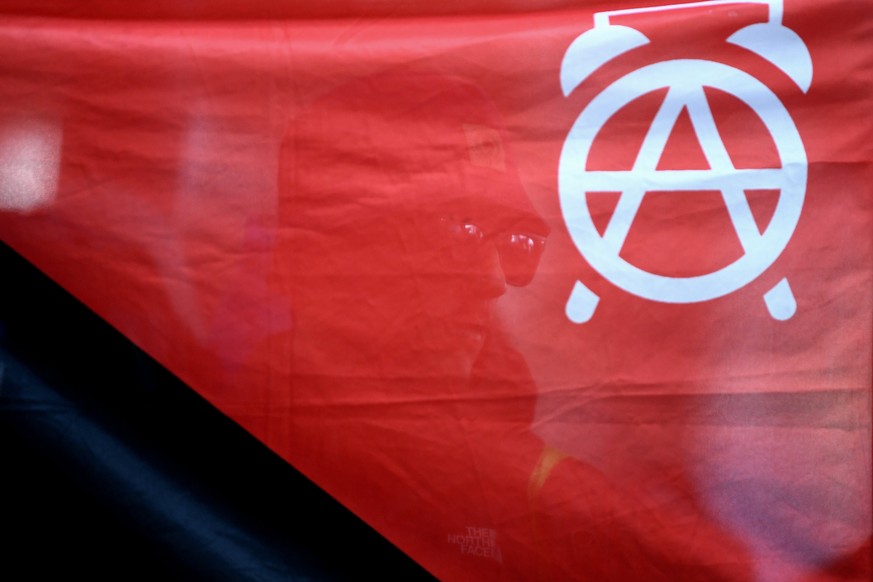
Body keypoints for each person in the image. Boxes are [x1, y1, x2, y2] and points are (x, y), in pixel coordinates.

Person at [270, 68, 752, 581]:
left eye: (512, 238)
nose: (493, 281)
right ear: (328, 256)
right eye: (455, 230)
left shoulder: (545, 505)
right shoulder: (202, 476)